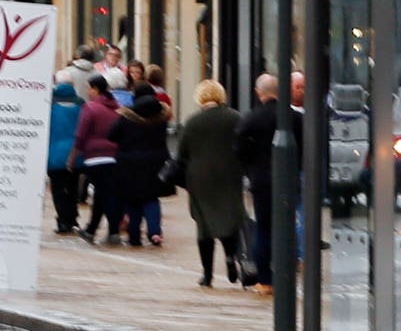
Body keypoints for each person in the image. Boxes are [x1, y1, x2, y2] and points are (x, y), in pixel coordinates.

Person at [178, 79, 246, 286]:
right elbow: (243, 145)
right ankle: (230, 258)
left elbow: (182, 152)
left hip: (200, 179)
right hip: (229, 176)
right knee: (230, 219)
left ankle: (207, 274)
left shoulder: (192, 122)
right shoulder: (235, 118)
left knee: (204, 226)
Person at [105, 84, 171, 247]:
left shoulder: (127, 115)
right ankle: (155, 231)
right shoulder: (161, 116)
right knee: (151, 198)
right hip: (155, 162)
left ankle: (134, 236)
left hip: (129, 163)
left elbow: (112, 135)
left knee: (132, 199)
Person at [236, 73, 283, 291]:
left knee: (263, 228)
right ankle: (285, 274)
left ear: (258, 93)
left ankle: (265, 279)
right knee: (285, 227)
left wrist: (249, 168)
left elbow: (238, 150)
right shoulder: (292, 117)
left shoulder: (251, 119)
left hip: (261, 180)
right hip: (288, 180)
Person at [68, 73, 122, 243]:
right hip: (114, 157)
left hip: (94, 158)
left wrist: (72, 156)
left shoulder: (90, 108)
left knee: (103, 195)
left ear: (96, 89)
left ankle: (112, 231)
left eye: (89, 88)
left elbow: (80, 135)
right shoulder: (117, 108)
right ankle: (92, 230)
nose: (88, 91)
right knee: (103, 193)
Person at [47, 50, 91, 235]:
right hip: (75, 154)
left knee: (57, 189)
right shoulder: (81, 103)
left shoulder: (50, 104)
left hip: (54, 154)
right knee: (73, 187)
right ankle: (72, 217)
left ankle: (63, 220)